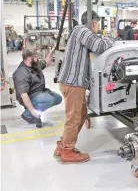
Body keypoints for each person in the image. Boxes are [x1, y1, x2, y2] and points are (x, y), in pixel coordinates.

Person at [55, 10, 114, 164]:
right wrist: (111, 38)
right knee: (74, 118)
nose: (97, 28)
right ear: (93, 23)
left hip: (73, 82)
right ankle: (67, 151)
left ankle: (62, 145)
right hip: (73, 82)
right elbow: (99, 46)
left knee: (80, 115)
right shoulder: (83, 31)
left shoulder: (79, 32)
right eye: (97, 24)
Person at [13, 48, 62, 128]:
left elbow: (47, 62)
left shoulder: (35, 64)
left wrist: (51, 52)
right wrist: (32, 111)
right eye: (36, 57)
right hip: (29, 96)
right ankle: (28, 114)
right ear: (29, 59)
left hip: (39, 92)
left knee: (58, 98)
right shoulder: (21, 73)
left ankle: (31, 111)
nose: (38, 59)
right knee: (50, 99)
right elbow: (24, 95)